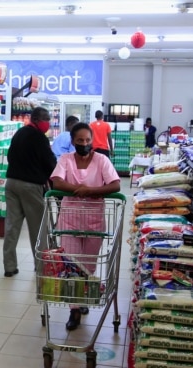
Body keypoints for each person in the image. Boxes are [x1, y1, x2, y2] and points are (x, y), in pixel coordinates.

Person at [49, 122, 121, 330]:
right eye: (80, 140)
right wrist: (80, 189)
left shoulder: (101, 160)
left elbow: (115, 184)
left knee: (88, 264)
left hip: (94, 220)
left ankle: (83, 297)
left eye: (87, 140)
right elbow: (57, 183)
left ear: (92, 141)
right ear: (73, 142)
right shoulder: (65, 159)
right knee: (72, 264)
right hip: (69, 220)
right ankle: (74, 310)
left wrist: (89, 191)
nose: (84, 144)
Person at [3, 107, 57, 277]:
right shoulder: (39, 138)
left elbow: (10, 156)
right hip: (31, 186)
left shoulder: (19, 133)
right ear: (36, 119)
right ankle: (41, 267)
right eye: (46, 119)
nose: (48, 123)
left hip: (11, 183)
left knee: (12, 225)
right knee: (38, 228)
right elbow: (50, 163)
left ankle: (9, 266)